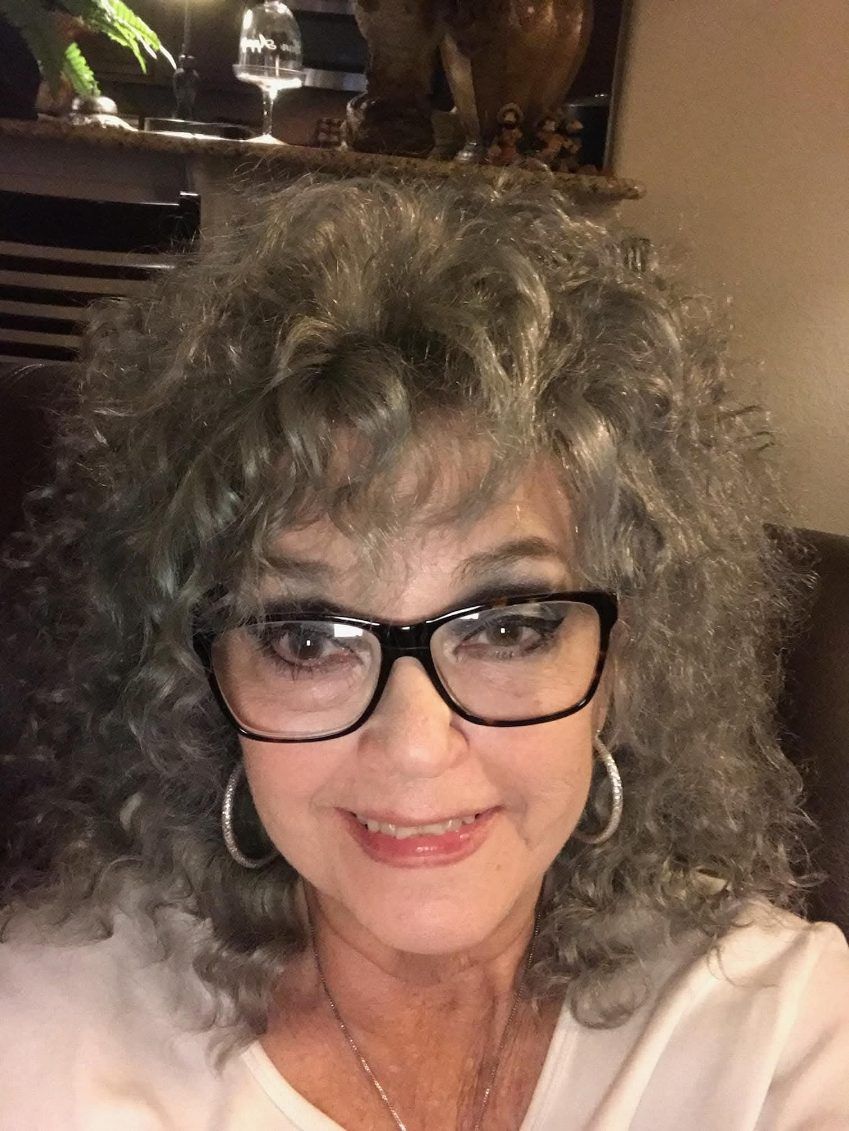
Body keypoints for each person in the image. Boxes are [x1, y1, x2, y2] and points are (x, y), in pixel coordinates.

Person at [0, 175, 847, 1131]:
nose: (412, 744)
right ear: (202, 679)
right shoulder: (45, 1041)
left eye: (507, 625)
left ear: (619, 664)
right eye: (306, 638)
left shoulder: (776, 1034)